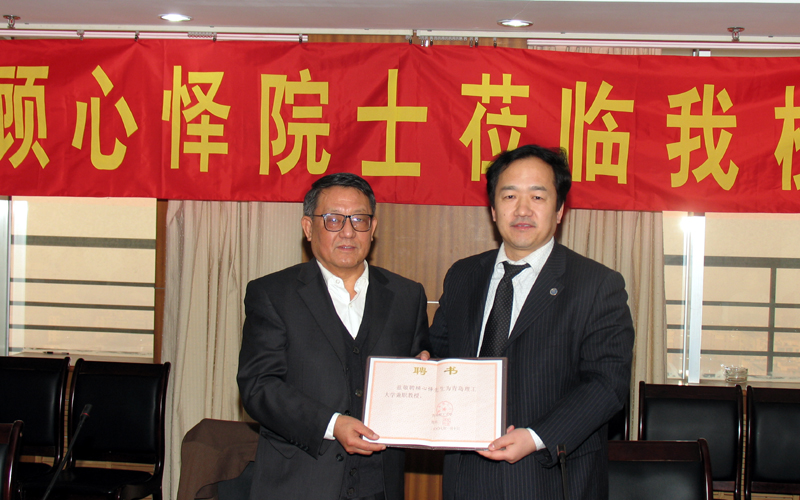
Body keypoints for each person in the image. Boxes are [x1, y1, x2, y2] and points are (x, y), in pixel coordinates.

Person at [427, 144, 635, 499]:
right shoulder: (463, 276)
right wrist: (423, 368)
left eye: (537, 197)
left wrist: (536, 437)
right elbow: (441, 354)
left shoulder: (598, 284)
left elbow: (607, 385)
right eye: (509, 196)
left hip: (550, 477)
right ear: (493, 209)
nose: (522, 209)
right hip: (467, 478)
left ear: (559, 210)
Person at [237, 172, 430, 500]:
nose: (348, 231)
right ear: (308, 227)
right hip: (299, 483)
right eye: (333, 219)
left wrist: (424, 377)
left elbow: (418, 370)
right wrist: (332, 424)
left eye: (359, 219)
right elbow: (258, 387)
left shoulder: (407, 296)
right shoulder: (272, 293)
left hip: (379, 484)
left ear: (373, 227)